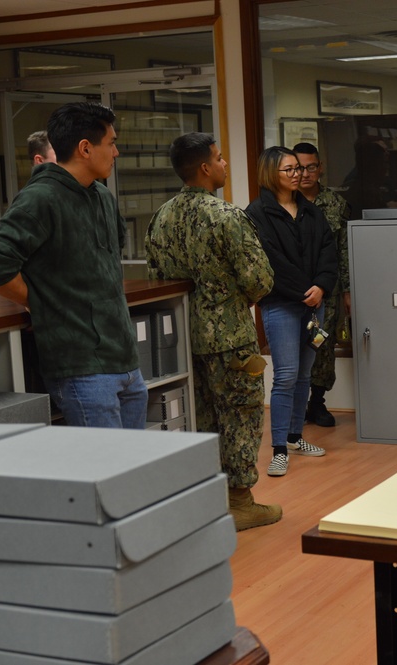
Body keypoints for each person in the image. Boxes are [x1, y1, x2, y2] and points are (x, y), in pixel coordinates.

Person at [0, 101, 148, 428]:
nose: (116, 153)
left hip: (124, 358)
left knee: (135, 469)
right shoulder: (41, 197)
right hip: (82, 366)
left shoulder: (101, 196)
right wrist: (38, 301)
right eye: (111, 143)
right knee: (103, 471)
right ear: (85, 148)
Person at [145, 132, 280, 531]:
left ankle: (207, 497)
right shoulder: (226, 216)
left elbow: (156, 278)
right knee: (241, 415)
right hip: (230, 338)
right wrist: (237, 300)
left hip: (182, 338)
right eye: (220, 159)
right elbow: (260, 279)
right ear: (205, 168)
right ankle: (239, 502)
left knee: (200, 417)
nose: (224, 165)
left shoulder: (162, 216)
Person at [245, 146, 337, 477]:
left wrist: (321, 287)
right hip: (282, 304)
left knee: (304, 374)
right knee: (285, 375)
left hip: (315, 304)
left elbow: (329, 252)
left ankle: (297, 438)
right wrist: (304, 291)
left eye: (299, 169)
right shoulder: (256, 213)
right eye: (290, 170)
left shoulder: (311, 212)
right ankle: (280, 448)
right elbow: (269, 262)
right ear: (272, 173)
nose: (298, 175)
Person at [292, 142, 350, 427]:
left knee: (323, 345)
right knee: (296, 346)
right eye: (299, 168)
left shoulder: (335, 203)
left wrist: (348, 290)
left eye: (310, 167)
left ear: (320, 168)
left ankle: (318, 402)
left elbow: (344, 250)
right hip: (293, 292)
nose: (305, 174)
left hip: (329, 290)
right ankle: (296, 405)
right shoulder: (283, 203)